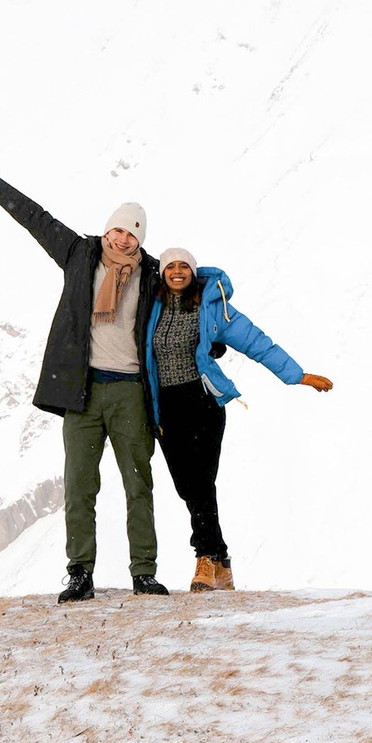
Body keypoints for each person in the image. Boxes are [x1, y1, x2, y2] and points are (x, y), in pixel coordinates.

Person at [0, 148, 167, 599]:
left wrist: (215, 338)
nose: (123, 239)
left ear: (141, 239)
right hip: (83, 390)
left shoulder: (153, 274)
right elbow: (33, 216)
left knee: (138, 484)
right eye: (118, 229)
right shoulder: (78, 253)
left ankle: (143, 572)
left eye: (132, 233)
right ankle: (80, 573)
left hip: (130, 390)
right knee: (79, 487)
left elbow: (191, 298)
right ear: (106, 228)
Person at [142, 242, 332, 589]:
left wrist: (296, 375)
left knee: (200, 483)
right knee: (188, 487)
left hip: (204, 403)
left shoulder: (213, 308)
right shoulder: (150, 308)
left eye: (184, 267)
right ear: (162, 273)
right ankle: (221, 559)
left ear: (194, 272)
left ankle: (204, 560)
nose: (178, 272)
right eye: (171, 267)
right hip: (166, 407)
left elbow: (255, 341)